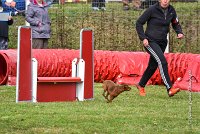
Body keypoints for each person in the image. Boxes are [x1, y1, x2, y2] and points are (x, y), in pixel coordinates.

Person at [135, 0, 184, 97]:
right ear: (159, 0)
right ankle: (169, 88)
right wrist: (143, 38)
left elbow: (175, 22)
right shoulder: (152, 10)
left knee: (153, 65)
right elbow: (139, 23)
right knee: (162, 61)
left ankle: (141, 85)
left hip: (162, 42)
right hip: (150, 41)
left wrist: (179, 32)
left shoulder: (171, 10)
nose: (165, 1)